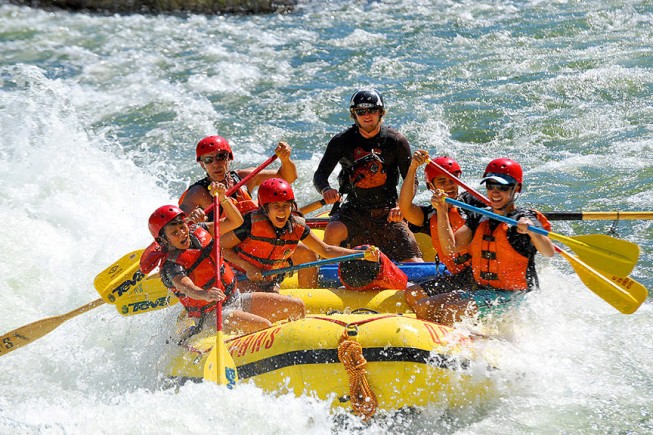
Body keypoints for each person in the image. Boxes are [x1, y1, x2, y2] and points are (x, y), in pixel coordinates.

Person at [407, 158, 555, 326]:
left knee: (452, 310)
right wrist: (441, 211)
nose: (495, 192)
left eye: (503, 187)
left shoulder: (525, 218)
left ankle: (462, 346)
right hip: (483, 291)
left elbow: (548, 251)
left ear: (517, 188)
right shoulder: (479, 217)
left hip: (514, 296)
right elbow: (450, 248)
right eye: (490, 186)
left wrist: (532, 233)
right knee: (423, 306)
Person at [148, 183, 305, 338]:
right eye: (174, 232)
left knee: (297, 307)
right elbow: (186, 286)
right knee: (264, 326)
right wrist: (204, 294)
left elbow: (236, 221)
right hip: (213, 314)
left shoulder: (199, 231)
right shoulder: (171, 265)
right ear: (163, 241)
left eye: (182, 227)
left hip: (235, 298)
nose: (182, 233)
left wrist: (223, 198)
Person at [312, 88, 422, 263]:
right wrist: (326, 189)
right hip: (354, 209)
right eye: (360, 111)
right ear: (354, 115)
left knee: (415, 264)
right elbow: (320, 175)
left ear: (381, 112)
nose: (366, 115)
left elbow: (412, 179)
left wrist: (403, 207)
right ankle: (324, 271)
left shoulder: (396, 141)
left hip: (388, 211)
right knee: (333, 230)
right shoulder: (341, 141)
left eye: (372, 110)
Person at [221, 178, 380, 292]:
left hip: (268, 276)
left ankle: (309, 293)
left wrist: (360, 254)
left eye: (286, 205)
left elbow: (325, 250)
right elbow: (220, 247)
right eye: (276, 206)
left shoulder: (296, 225)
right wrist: (248, 267)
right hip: (239, 275)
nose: (282, 211)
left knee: (307, 251)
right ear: (265, 208)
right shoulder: (250, 224)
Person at [399, 152, 482, 306]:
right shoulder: (431, 214)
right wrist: (412, 168)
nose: (449, 186)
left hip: (478, 275)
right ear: (431, 186)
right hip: (457, 276)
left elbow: (452, 247)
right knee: (413, 294)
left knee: (433, 303)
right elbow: (405, 207)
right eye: (442, 181)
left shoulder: (473, 205)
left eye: (452, 181)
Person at [179, 135, 298, 216]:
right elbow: (179, 223)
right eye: (209, 160)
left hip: (253, 238)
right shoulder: (197, 193)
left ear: (229, 158)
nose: (216, 164)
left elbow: (287, 177)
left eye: (221, 157)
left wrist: (285, 160)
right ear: (202, 165)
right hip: (224, 246)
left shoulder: (244, 178)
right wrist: (192, 219)